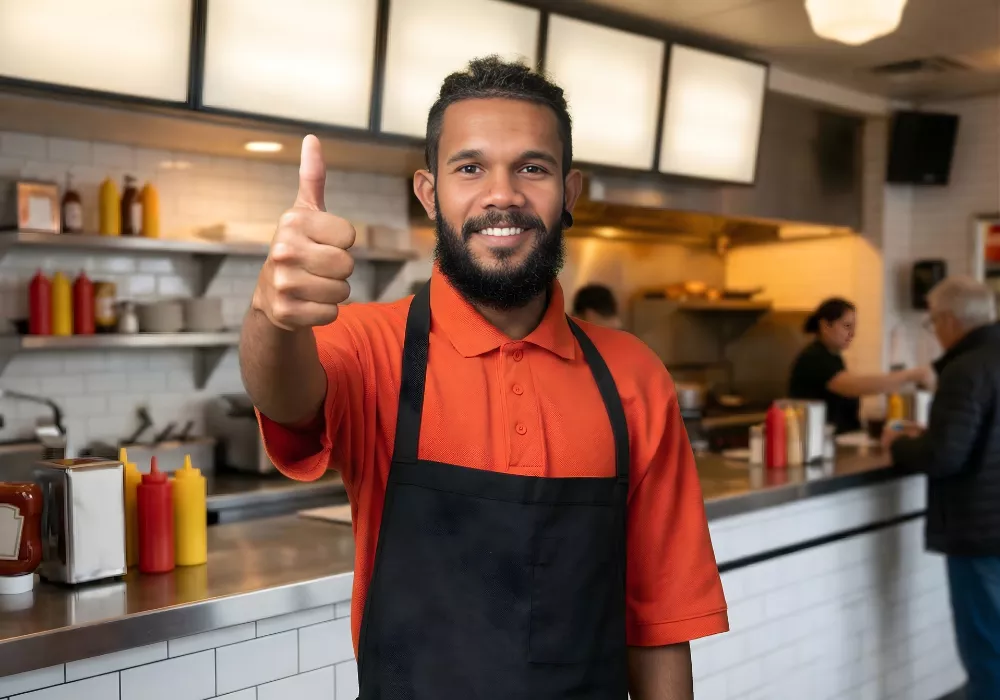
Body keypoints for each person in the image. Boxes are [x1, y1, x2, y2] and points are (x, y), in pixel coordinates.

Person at [240, 56, 727, 699]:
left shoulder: (633, 375)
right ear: (428, 192)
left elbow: (660, 620)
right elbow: (285, 397)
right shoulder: (371, 346)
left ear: (570, 192)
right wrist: (272, 315)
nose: (503, 194)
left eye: (532, 168)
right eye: (470, 168)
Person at [883, 276, 1000, 700]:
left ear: (950, 320)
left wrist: (899, 445)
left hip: (980, 531)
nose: (934, 332)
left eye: (933, 323)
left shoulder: (964, 369)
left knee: (987, 651)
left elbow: (945, 457)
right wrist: (934, 434)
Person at [789, 297, 934, 434]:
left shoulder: (833, 357)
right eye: (847, 326)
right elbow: (853, 386)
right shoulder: (814, 357)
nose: (852, 333)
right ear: (825, 326)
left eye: (854, 327)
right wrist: (908, 376)